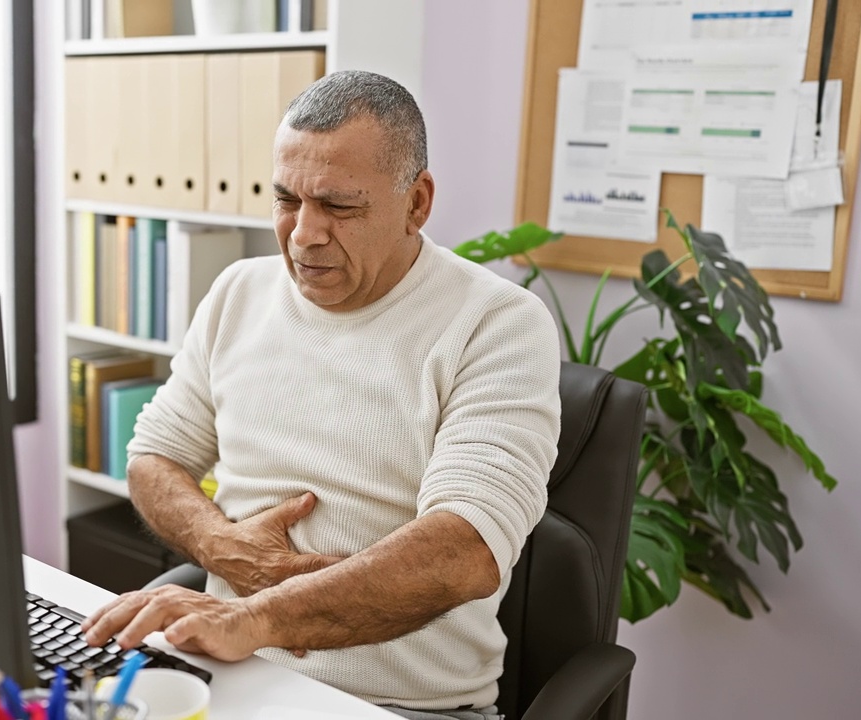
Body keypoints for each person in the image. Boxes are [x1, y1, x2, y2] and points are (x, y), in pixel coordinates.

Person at [81, 70, 561, 720]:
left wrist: (256, 617)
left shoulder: (496, 323)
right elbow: (153, 457)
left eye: (339, 206)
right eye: (286, 200)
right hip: (230, 674)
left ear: (417, 203)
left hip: (400, 706)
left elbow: (463, 553)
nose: (303, 233)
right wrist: (220, 546)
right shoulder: (239, 292)